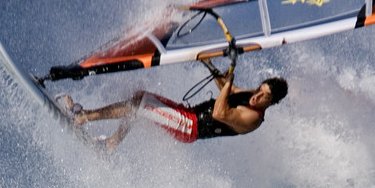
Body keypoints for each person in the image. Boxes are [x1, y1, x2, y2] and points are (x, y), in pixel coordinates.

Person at [64, 62, 288, 150]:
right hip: (187, 113)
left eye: (264, 96)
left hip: (189, 126)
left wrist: (229, 81)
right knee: (140, 98)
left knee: (139, 104)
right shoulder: (251, 95)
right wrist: (210, 64)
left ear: (271, 103)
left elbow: (220, 113)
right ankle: (111, 144)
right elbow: (227, 90)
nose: (257, 96)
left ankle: (84, 117)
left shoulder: (253, 119)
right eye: (260, 89)